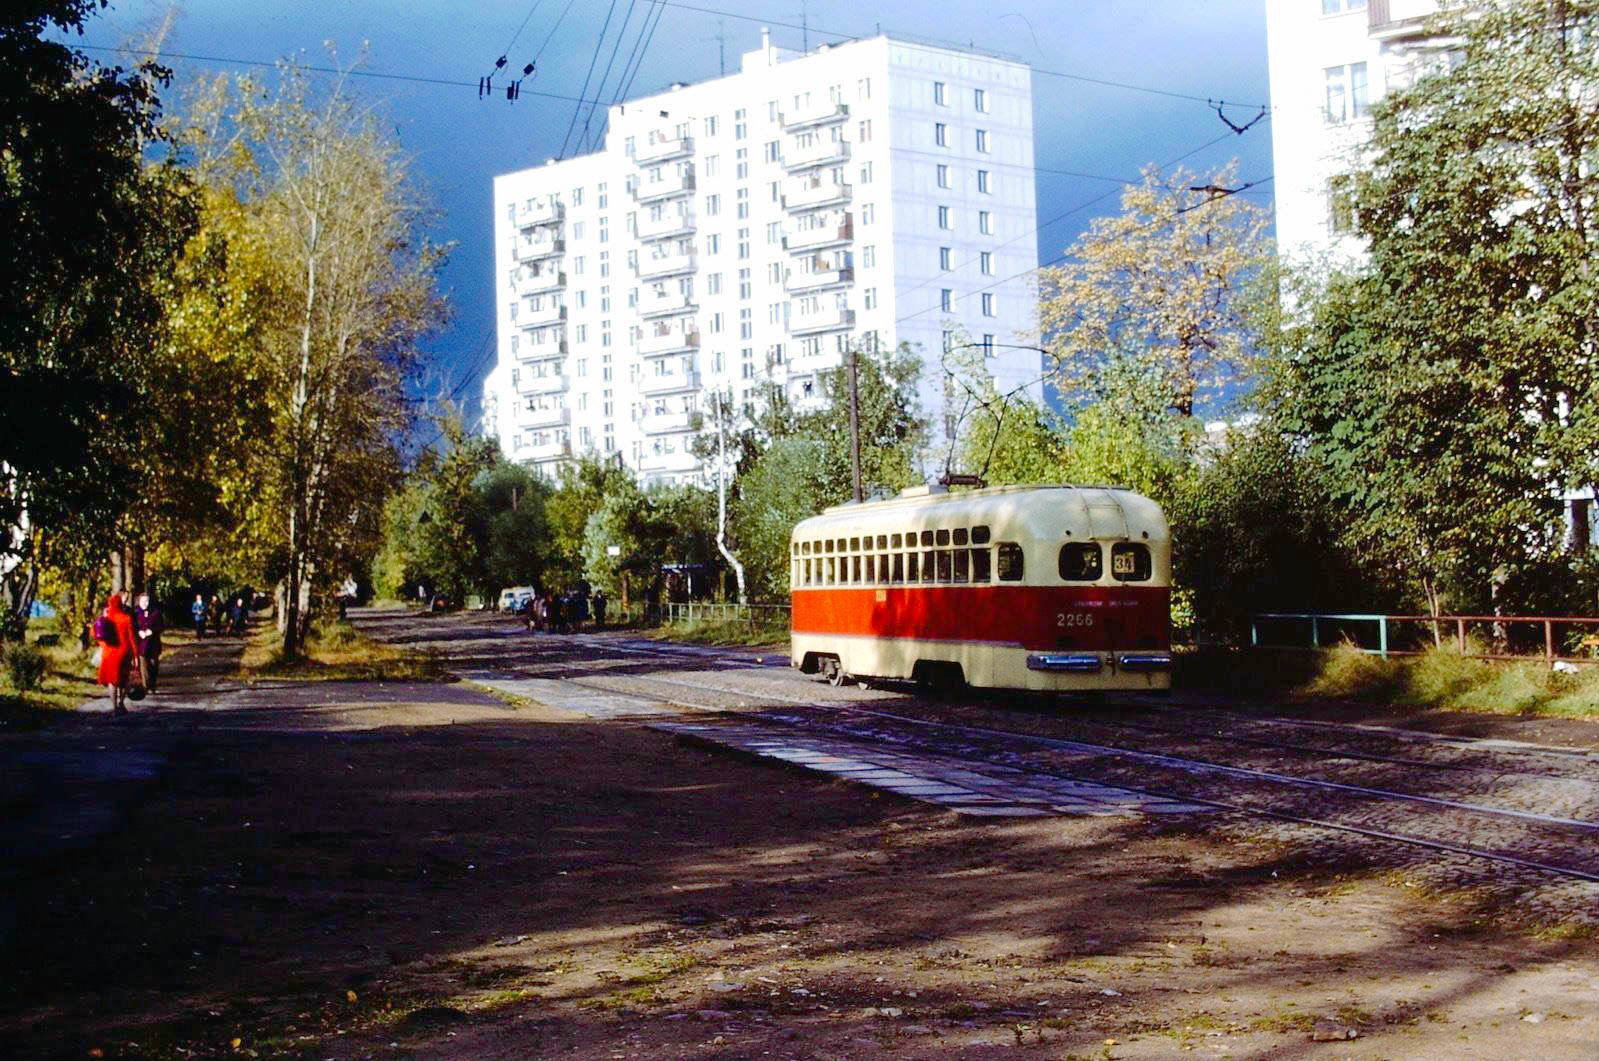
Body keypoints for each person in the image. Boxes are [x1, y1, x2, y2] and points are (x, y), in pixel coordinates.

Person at [94, 593, 138, 715]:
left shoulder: (106, 618)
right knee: (124, 679)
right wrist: (135, 654)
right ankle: (121, 703)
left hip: (109, 652)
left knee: (111, 681)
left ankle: (114, 706)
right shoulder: (126, 618)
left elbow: (95, 633)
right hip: (124, 651)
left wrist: (102, 646)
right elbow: (132, 638)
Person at [133, 592, 164, 694]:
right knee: (143, 666)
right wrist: (139, 632)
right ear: (139, 601)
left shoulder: (155, 613)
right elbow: (133, 627)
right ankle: (146, 686)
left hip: (153, 643)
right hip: (142, 644)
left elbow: (161, 626)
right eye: (143, 601)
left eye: (147, 601)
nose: (145, 603)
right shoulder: (136, 613)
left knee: (154, 665)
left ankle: (153, 684)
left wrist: (152, 631)